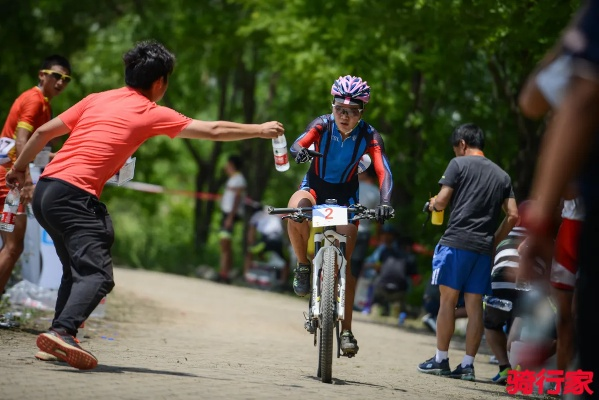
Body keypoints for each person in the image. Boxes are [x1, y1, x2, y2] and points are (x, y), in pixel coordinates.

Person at [5, 40, 285, 371]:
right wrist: (260, 130)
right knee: (98, 276)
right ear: (159, 82)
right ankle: (63, 332)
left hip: (47, 192)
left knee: (76, 270)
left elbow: (41, 134)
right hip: (74, 196)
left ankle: (56, 340)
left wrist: (19, 170)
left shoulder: (97, 99)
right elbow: (214, 130)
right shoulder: (150, 111)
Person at [287, 75, 394, 356]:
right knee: (296, 209)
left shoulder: (370, 136)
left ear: (362, 112)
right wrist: (300, 152)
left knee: (345, 266)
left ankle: (346, 330)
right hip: (315, 191)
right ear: (332, 106)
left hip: (347, 198)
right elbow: (299, 142)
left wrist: (385, 202)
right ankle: (302, 265)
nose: (345, 116)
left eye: (352, 111)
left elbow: (383, 171)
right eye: (340, 109)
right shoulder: (322, 124)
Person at [417, 123, 518, 380]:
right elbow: (514, 215)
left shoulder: (458, 165)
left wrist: (431, 206)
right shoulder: (502, 176)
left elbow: (441, 201)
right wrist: (494, 241)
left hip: (456, 243)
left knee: (447, 302)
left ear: (462, 144)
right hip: (483, 250)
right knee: (475, 308)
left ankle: (440, 359)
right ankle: (468, 366)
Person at [0, 55, 72, 295]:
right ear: (42, 75)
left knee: (11, 245)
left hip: (8, 175)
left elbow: (36, 152)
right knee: (13, 246)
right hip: (9, 179)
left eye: (66, 79)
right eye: (56, 76)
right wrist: (27, 181)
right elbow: (21, 140)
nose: (61, 82)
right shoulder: (34, 100)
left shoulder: (45, 103)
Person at [483, 201, 546, 384]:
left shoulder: (503, 234)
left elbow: (490, 260)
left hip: (501, 283)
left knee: (491, 324)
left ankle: (504, 368)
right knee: (520, 330)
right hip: (528, 288)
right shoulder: (542, 237)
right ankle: (519, 371)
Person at [243, 202, 288, 287]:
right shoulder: (276, 214)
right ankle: (283, 281)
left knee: (250, 253)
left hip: (266, 240)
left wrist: (251, 244)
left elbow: (251, 234)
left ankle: (246, 274)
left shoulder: (256, 215)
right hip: (278, 240)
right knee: (286, 260)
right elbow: (285, 228)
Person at [217, 154, 246, 284]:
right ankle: (224, 271)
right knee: (224, 243)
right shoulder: (233, 179)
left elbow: (237, 198)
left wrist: (230, 217)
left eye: (227, 164)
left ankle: (225, 273)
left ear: (232, 165)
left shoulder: (238, 179)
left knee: (225, 243)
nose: (225, 167)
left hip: (230, 215)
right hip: (226, 213)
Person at [351, 166, 380, 279]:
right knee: (355, 267)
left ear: (365, 174)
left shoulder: (350, 186)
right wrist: (377, 237)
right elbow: (378, 219)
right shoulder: (376, 192)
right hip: (363, 233)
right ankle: (350, 294)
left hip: (344, 228)